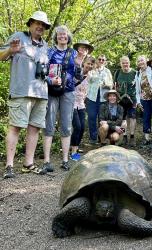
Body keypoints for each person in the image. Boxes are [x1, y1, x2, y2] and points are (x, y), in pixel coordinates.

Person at [0, 11, 50, 178]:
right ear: (30, 23)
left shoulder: (45, 46)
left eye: (43, 25)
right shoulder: (18, 37)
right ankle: (9, 166)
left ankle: (28, 163)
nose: (40, 26)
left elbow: (44, 70)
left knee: (34, 128)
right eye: (37, 23)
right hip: (21, 91)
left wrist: (53, 78)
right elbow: (1, 56)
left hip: (41, 92)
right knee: (15, 127)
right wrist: (11, 51)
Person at [39, 25, 82, 173]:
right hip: (51, 91)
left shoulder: (74, 52)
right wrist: (51, 81)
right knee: (49, 124)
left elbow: (78, 74)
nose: (62, 36)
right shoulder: (49, 51)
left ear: (68, 37)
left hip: (68, 92)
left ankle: (65, 160)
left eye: (64, 34)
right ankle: (46, 161)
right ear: (56, 37)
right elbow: (42, 70)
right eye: (59, 35)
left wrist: (81, 66)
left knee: (66, 125)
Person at [70, 56, 96, 161]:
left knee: (82, 127)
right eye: (88, 63)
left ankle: (74, 146)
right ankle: (73, 152)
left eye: (91, 64)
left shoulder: (89, 76)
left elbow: (87, 89)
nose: (89, 66)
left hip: (81, 103)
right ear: (84, 62)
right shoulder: (76, 71)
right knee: (77, 126)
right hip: (71, 102)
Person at [86, 54, 113, 144]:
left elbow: (111, 85)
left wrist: (106, 85)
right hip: (91, 97)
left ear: (105, 61)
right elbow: (88, 80)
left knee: (101, 120)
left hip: (103, 98)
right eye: (99, 59)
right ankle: (93, 138)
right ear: (97, 60)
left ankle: (101, 138)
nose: (101, 61)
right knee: (92, 117)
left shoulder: (107, 71)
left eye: (103, 60)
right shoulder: (92, 70)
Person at [114, 56, 136, 146]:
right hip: (121, 99)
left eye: (126, 62)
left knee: (132, 118)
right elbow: (114, 86)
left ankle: (132, 137)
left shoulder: (135, 72)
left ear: (129, 63)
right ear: (120, 64)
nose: (125, 64)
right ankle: (124, 137)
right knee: (123, 119)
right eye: (123, 63)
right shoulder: (118, 72)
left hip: (132, 99)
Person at [135, 55, 152, 145]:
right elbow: (137, 90)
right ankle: (147, 139)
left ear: (146, 61)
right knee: (146, 118)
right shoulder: (138, 73)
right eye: (139, 61)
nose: (140, 62)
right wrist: (138, 101)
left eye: (142, 60)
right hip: (144, 99)